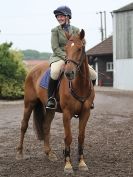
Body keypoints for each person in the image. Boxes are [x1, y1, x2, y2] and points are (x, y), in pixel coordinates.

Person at [46, 6, 97, 109]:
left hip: (75, 57)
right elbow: (55, 48)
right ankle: (51, 98)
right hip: (59, 56)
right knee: (55, 72)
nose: (59, 18)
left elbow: (82, 42)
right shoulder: (55, 30)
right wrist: (67, 57)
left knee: (93, 74)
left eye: (61, 16)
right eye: (57, 16)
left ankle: (89, 97)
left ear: (67, 16)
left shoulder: (76, 30)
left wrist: (81, 44)